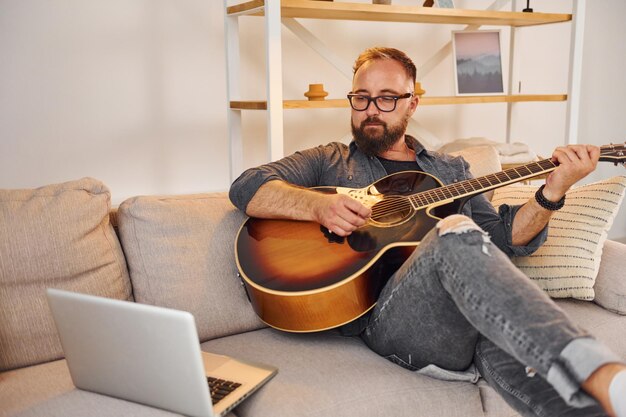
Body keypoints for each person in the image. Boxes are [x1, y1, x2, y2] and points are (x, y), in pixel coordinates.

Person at [229, 47, 626, 416]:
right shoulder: (328, 160)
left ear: (412, 103)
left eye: (386, 98)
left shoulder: (450, 170)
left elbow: (502, 242)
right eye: (361, 98)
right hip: (387, 320)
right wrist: (317, 205)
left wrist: (553, 189)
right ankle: (595, 367)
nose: (371, 110)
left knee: (505, 336)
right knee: (453, 230)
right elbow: (247, 186)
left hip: (455, 319)